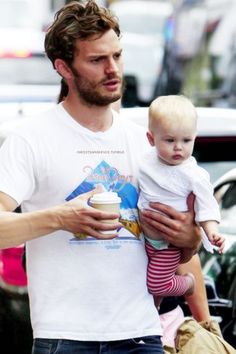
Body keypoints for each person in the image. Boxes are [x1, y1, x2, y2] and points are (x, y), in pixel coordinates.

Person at [0, 1, 201, 353]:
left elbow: (184, 246)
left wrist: (190, 237)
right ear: (64, 68)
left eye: (117, 56)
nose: (113, 69)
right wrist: (60, 217)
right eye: (97, 60)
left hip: (142, 335)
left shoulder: (147, 142)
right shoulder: (30, 138)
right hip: (65, 337)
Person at [137, 95, 225, 304]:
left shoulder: (194, 174)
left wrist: (212, 232)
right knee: (146, 286)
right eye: (170, 140)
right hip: (141, 239)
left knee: (156, 284)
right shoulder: (144, 161)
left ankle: (188, 284)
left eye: (186, 140)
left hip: (168, 244)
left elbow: (206, 207)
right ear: (151, 139)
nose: (179, 147)